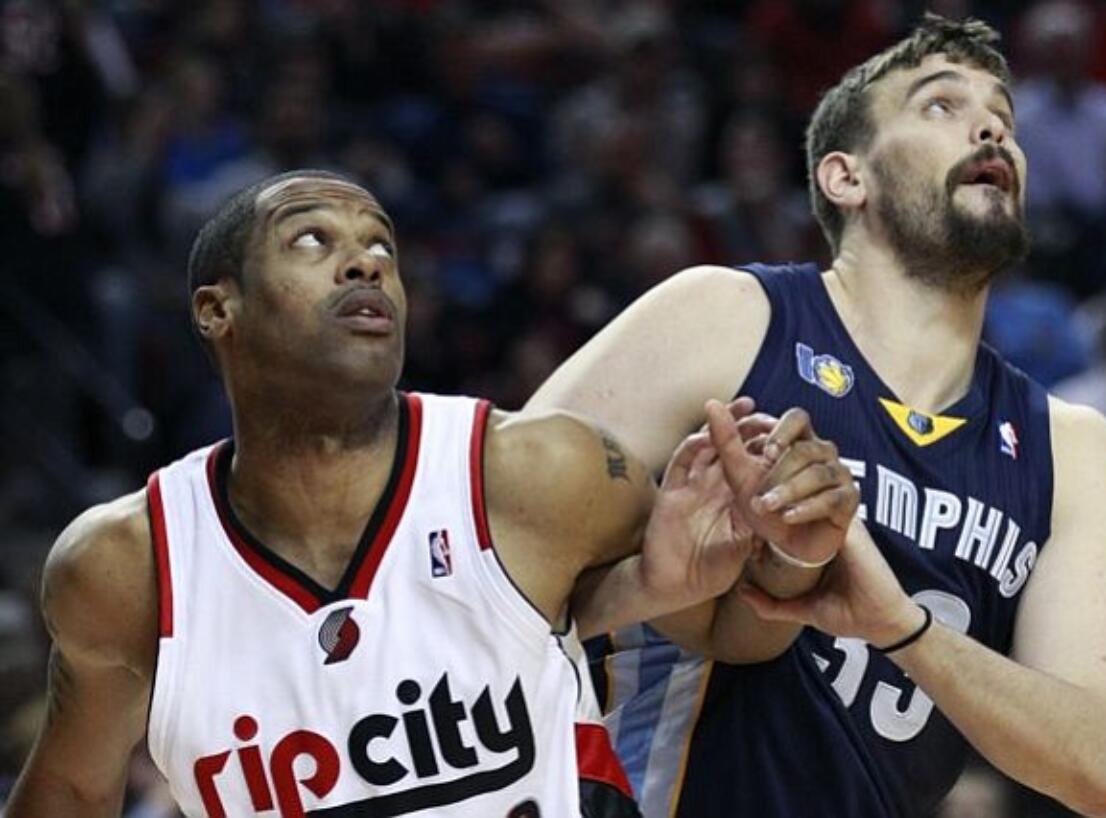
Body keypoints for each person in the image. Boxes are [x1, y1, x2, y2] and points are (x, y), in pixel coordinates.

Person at [6, 170, 856, 817]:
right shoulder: (126, 566)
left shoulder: (532, 474)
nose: (364, 262)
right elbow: (71, 794)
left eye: (383, 248)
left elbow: (735, 634)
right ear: (215, 309)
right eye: (312, 241)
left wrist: (786, 546)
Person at [527, 14, 1106, 818]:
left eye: (1002, 115)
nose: (991, 125)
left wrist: (902, 630)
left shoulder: (1071, 448)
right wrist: (650, 581)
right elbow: (494, 536)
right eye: (939, 106)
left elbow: (1097, 764)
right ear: (844, 178)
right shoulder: (726, 315)